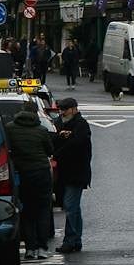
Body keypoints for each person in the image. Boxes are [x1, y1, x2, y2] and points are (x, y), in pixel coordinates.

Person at [2, 99, 58, 260]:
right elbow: (50, 150)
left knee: (26, 211)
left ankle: (30, 248)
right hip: (40, 172)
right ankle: (42, 247)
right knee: (42, 210)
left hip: (22, 173)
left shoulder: (10, 128)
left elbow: (7, 148)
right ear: (35, 113)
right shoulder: (41, 130)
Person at [53, 98, 92, 254]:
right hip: (64, 173)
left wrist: (57, 152)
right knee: (73, 207)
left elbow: (77, 145)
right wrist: (61, 136)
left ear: (74, 109)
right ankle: (76, 240)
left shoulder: (81, 125)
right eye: (61, 109)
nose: (62, 112)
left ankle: (70, 240)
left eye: (65, 109)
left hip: (77, 173)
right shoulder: (59, 123)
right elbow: (52, 139)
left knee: (70, 206)